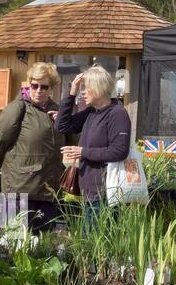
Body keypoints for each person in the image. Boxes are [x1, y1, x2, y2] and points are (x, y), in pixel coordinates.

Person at [0, 62, 67, 230]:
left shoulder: (56, 111)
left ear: (51, 88)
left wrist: (64, 121)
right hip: (19, 189)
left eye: (44, 87)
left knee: (42, 248)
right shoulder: (18, 108)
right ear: (29, 84)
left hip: (48, 190)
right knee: (12, 242)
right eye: (34, 85)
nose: (39, 90)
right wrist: (2, 168)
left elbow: (72, 142)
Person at [55, 65, 131, 220]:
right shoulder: (92, 112)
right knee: (88, 241)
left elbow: (119, 151)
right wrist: (71, 92)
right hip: (89, 192)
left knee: (97, 240)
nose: (82, 92)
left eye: (86, 87)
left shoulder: (117, 113)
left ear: (98, 88)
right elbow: (62, 125)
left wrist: (82, 152)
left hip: (105, 193)